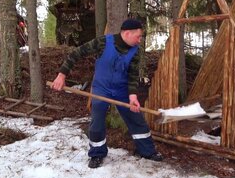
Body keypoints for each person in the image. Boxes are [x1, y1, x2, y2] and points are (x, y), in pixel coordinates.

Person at [51, 18, 163, 168]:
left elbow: (133, 75)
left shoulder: (136, 51)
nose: (140, 40)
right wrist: (62, 75)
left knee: (136, 118)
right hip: (101, 89)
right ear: (127, 33)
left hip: (122, 90)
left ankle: (147, 151)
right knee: (97, 121)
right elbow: (77, 53)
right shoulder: (103, 42)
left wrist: (133, 97)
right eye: (138, 36)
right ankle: (97, 154)